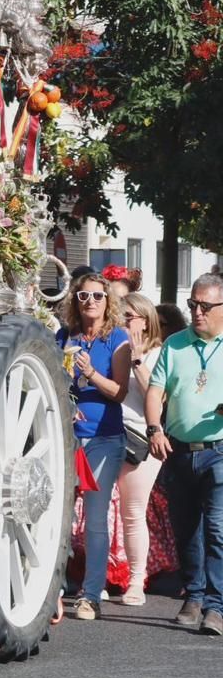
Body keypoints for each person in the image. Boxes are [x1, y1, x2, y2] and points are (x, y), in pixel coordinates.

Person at [145, 273, 223, 636]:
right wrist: (154, 429)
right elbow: (155, 391)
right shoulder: (175, 344)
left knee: (217, 529)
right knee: (186, 530)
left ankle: (215, 605)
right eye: (193, 305)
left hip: (219, 451)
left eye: (205, 306)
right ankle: (193, 597)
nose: (197, 312)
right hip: (178, 451)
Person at [57, 271, 132, 619]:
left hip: (105, 437)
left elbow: (119, 392)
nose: (91, 302)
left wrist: (90, 374)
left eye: (98, 296)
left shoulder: (117, 338)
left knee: (96, 519)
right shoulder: (63, 337)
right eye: (84, 296)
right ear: (75, 300)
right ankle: (54, 589)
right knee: (57, 514)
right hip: (68, 436)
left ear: (108, 302)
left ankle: (91, 595)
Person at [118, 293, 165, 605]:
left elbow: (156, 396)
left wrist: (136, 359)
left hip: (141, 437)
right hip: (108, 434)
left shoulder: (159, 354)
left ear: (146, 321)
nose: (124, 322)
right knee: (102, 512)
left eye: (129, 316)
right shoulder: (115, 348)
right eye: (120, 316)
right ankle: (96, 578)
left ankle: (137, 580)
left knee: (133, 512)